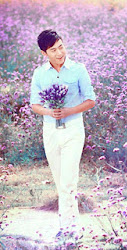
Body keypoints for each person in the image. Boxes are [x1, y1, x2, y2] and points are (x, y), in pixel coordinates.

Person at [30, 29, 96, 242]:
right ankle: (67, 226)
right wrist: (51, 112)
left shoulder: (78, 69)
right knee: (60, 182)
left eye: (61, 47)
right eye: (53, 50)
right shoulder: (40, 74)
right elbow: (35, 104)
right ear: (44, 53)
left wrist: (69, 111)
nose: (60, 53)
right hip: (50, 129)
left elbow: (90, 100)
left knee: (69, 180)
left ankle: (70, 230)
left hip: (73, 129)